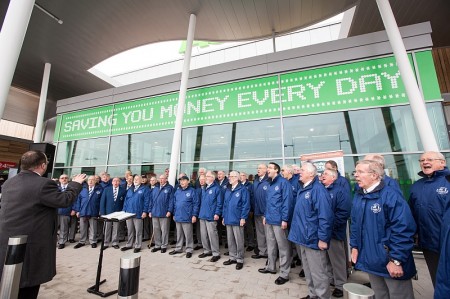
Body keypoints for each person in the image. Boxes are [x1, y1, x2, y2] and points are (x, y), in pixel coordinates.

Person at [0, 150, 85, 299]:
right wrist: (75, 184)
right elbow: (64, 200)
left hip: (8, 245)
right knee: (27, 288)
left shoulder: (9, 182)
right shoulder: (43, 184)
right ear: (43, 165)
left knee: (9, 287)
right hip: (30, 247)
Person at [351, 160, 416, 299]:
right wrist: (355, 246)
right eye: (355, 172)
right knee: (380, 295)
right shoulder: (359, 195)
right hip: (371, 260)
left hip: (390, 261)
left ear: (374, 175)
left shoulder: (391, 196)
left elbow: (403, 229)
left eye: (360, 172)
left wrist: (396, 260)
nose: (355, 175)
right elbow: (355, 225)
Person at [288, 162, 333, 299]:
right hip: (303, 238)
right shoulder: (304, 189)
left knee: (318, 272)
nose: (299, 172)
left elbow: (325, 216)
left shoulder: (318, 190)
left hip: (313, 239)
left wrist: (323, 239)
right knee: (308, 270)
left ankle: (322, 296)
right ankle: (313, 294)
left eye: (302, 170)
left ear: (311, 174)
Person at [409, 151, 450, 287]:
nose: (425, 162)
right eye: (422, 160)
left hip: (446, 243)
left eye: (430, 159)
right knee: (437, 281)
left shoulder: (448, 181)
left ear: (442, 163)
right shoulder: (417, 186)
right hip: (429, 245)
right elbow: (412, 213)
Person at [259, 162, 294, 285]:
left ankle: (284, 273)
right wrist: (265, 216)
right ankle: (271, 267)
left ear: (276, 170)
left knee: (283, 247)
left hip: (279, 221)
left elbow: (287, 202)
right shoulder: (270, 183)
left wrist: (284, 219)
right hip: (269, 219)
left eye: (269, 168)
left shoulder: (284, 183)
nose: (267, 170)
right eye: (267, 168)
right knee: (271, 245)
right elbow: (268, 202)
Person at [321, 168, 352, 298]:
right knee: (326, 259)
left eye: (325, 174)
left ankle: (340, 285)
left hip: (334, 233)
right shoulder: (321, 190)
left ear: (333, 178)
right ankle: (330, 280)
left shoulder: (340, 191)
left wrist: (330, 227)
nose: (322, 176)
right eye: (322, 174)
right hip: (322, 233)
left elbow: (343, 213)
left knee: (337, 260)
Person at [222, 171, 250, 270]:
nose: (230, 178)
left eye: (232, 176)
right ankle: (232, 257)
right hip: (228, 218)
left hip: (238, 219)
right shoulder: (228, 189)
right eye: (229, 176)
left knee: (239, 240)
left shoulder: (243, 189)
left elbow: (245, 205)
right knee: (230, 240)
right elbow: (225, 205)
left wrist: (243, 217)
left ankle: (240, 259)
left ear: (237, 178)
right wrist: (224, 217)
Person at [170, 176, 200, 258]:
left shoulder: (192, 191)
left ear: (188, 181)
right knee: (179, 234)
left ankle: (189, 249)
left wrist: (194, 215)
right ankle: (178, 248)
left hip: (187, 216)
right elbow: (175, 203)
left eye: (183, 180)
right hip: (178, 216)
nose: (182, 182)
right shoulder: (178, 191)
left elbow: (196, 204)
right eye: (180, 181)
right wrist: (174, 214)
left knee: (188, 235)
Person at [121, 175, 151, 253]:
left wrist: (145, 211)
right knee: (130, 230)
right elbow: (126, 200)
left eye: (138, 179)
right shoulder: (130, 189)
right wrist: (124, 210)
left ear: (141, 181)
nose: (136, 180)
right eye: (135, 179)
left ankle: (138, 245)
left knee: (138, 231)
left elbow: (147, 201)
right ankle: (129, 244)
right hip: (128, 213)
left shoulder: (145, 189)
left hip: (138, 213)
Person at [198, 171, 223, 262]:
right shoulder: (204, 188)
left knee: (212, 235)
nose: (205, 178)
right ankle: (206, 250)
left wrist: (217, 213)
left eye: (207, 176)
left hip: (211, 216)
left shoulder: (217, 188)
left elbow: (219, 203)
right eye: (205, 176)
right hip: (203, 215)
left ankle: (216, 253)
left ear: (212, 178)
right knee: (204, 235)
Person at [74, 175, 103, 249]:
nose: (90, 181)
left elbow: (101, 202)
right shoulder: (83, 190)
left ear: (95, 181)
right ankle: (82, 241)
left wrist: (100, 211)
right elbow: (78, 201)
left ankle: (93, 241)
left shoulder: (99, 190)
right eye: (89, 180)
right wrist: (77, 211)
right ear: (87, 181)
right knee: (82, 228)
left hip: (93, 212)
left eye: (92, 180)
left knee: (93, 228)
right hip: (83, 212)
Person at [148, 174, 174, 253]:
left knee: (164, 230)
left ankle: (164, 245)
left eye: (163, 178)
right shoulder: (155, 188)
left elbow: (171, 201)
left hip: (164, 213)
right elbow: (151, 200)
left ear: (166, 179)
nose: (161, 180)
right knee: (156, 230)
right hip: (154, 212)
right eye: (160, 178)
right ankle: (157, 245)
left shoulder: (169, 188)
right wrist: (149, 211)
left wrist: (169, 211)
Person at [99, 177, 126, 249]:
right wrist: (102, 212)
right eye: (114, 181)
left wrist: (123, 212)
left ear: (119, 182)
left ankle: (115, 242)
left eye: (117, 181)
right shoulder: (106, 190)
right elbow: (102, 201)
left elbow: (124, 202)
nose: (116, 182)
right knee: (107, 228)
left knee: (116, 228)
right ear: (112, 182)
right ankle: (106, 243)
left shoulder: (123, 191)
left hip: (118, 213)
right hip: (108, 213)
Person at [251, 163, 270, 259]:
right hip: (257, 212)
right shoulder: (256, 181)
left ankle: (270, 254)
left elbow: (270, 199)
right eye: (257, 168)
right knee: (260, 234)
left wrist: (267, 213)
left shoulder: (269, 181)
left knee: (268, 235)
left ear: (266, 170)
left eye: (260, 168)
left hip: (265, 213)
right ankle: (262, 252)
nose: (258, 169)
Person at [57, 174, 76, 249]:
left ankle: (62, 242)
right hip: (56, 211)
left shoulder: (72, 188)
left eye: (66, 178)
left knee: (64, 228)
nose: (64, 179)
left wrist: (74, 209)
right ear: (59, 180)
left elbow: (76, 200)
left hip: (66, 211)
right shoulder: (56, 188)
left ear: (68, 179)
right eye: (62, 178)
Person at [240, 171, 255, 252]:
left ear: (246, 177)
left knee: (249, 228)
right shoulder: (238, 185)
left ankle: (251, 244)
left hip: (248, 210)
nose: (241, 177)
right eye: (240, 175)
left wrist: (251, 210)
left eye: (243, 175)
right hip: (240, 210)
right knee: (242, 228)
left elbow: (252, 198)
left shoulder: (250, 185)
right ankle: (244, 242)